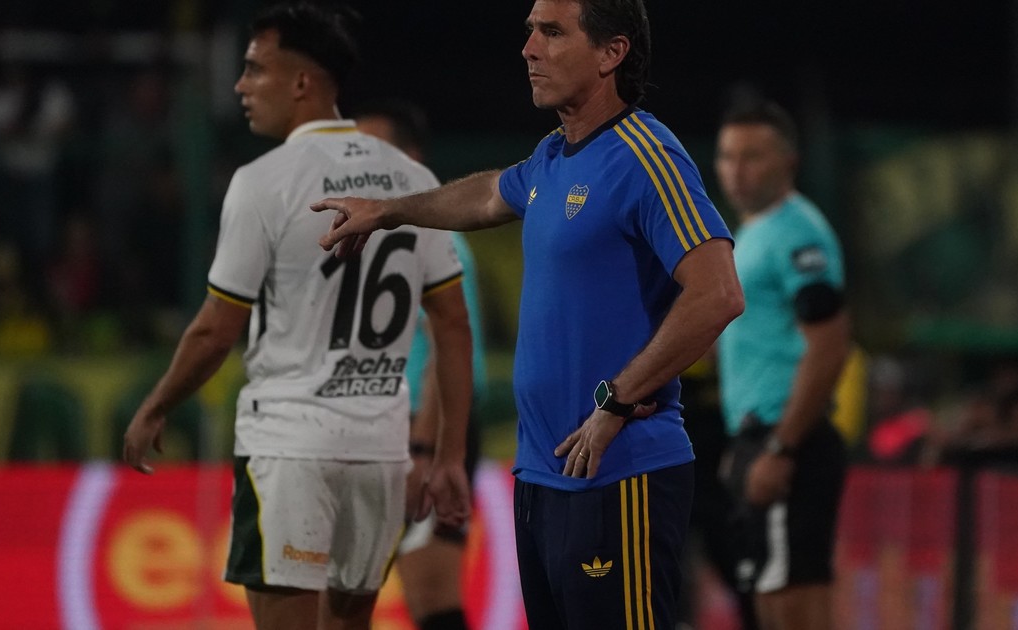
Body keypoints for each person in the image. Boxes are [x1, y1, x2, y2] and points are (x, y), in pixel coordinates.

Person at [311, 1, 745, 627]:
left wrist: (617, 401)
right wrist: (388, 211)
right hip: (543, 476)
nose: (529, 49)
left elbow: (717, 293)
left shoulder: (647, 155)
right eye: (530, 32)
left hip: (618, 472)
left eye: (552, 32)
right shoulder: (552, 157)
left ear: (611, 53)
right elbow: (488, 194)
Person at [121, 4, 473, 629]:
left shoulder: (265, 180)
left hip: (290, 448)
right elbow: (452, 322)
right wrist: (447, 457)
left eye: (255, 69)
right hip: (379, 450)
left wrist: (156, 405)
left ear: (302, 82)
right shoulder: (412, 176)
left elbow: (216, 329)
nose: (241, 86)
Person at [713, 99, 851, 630]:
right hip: (759, 436)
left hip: (792, 441)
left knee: (795, 605)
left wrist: (781, 447)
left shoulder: (799, 233)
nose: (737, 170)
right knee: (770, 602)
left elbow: (830, 344)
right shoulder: (752, 233)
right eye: (728, 156)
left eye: (753, 156)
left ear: (789, 161)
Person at [353, 98, 487, 630]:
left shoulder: (436, 237)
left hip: (422, 431)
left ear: (410, 159)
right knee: (348, 592)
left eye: (371, 149)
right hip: (376, 429)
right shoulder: (367, 239)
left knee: (431, 591)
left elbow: (449, 346)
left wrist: (426, 449)